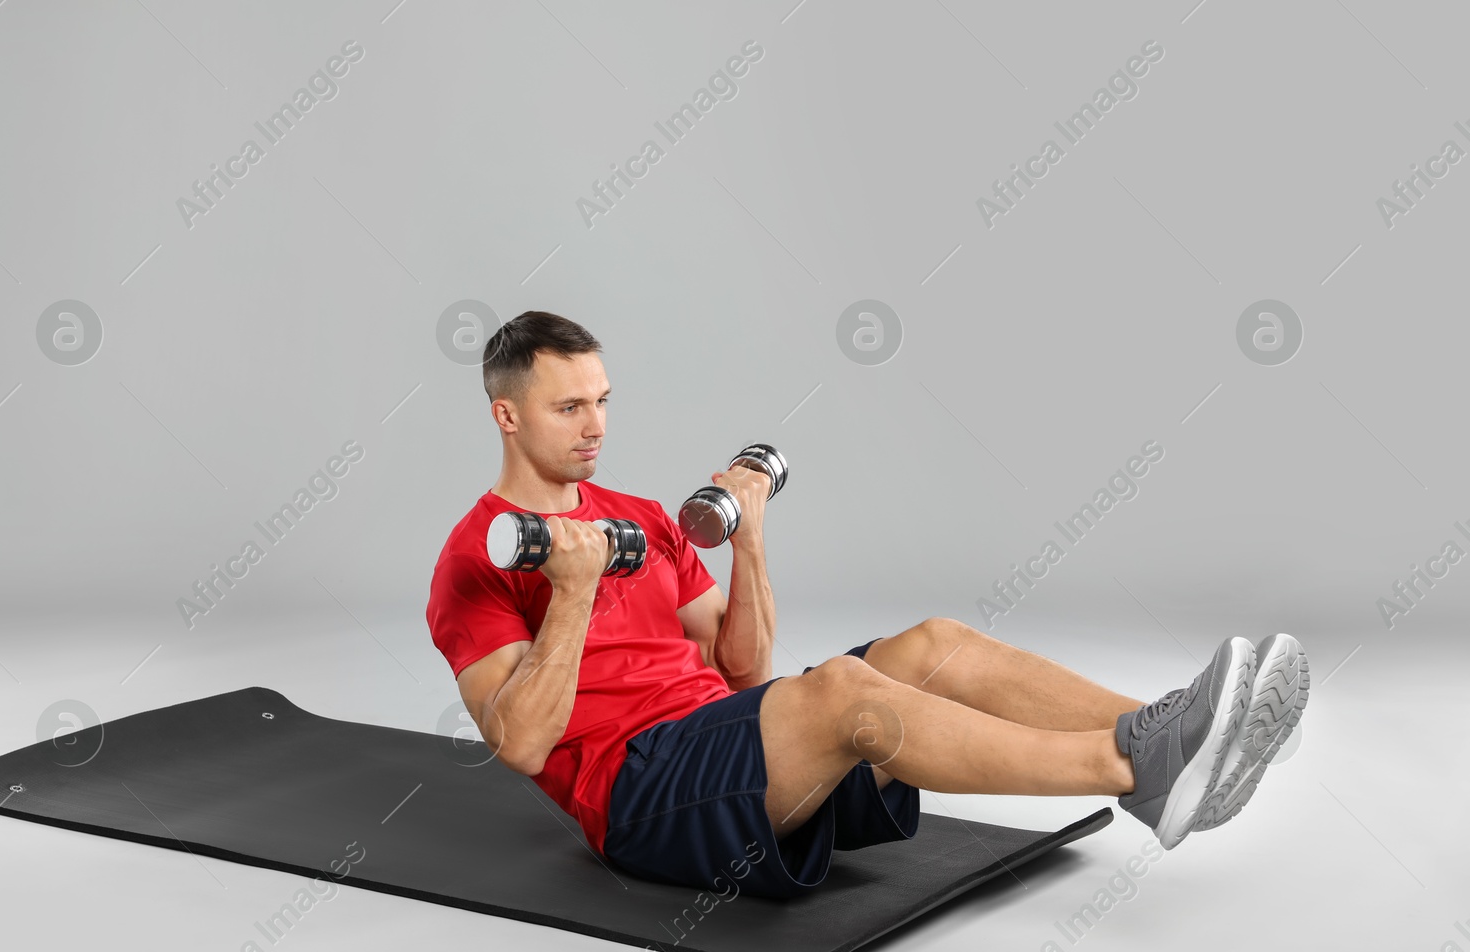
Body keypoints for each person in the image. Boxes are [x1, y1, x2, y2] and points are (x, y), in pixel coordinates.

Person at [425, 311, 1310, 899]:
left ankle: (1196, 729)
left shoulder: (642, 518)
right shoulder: (475, 557)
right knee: (847, 690)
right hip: (640, 795)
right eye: (570, 405)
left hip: (737, 746)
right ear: (506, 416)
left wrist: (751, 537)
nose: (596, 425)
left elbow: (743, 671)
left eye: (604, 402)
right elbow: (523, 743)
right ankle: (1139, 769)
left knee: (934, 643)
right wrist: (572, 595)